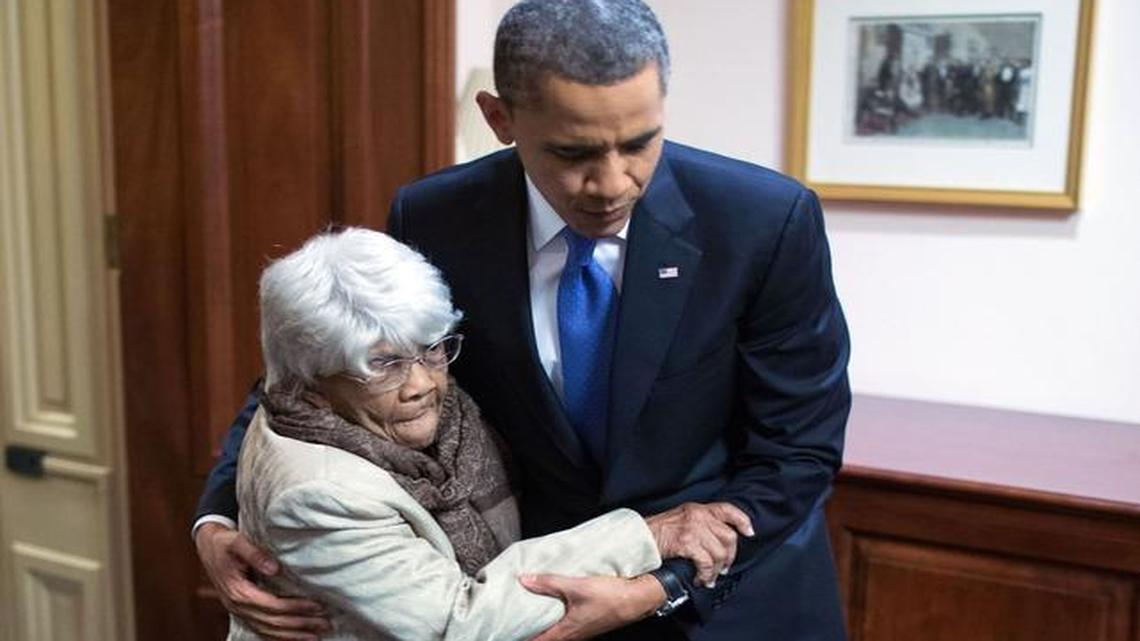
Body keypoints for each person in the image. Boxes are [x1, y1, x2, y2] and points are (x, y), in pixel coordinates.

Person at [195, 1, 851, 640]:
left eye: (639, 143)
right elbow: (311, 371)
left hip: (729, 604)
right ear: (500, 117)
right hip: (535, 601)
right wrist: (219, 519)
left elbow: (797, 450)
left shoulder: (764, 221)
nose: (613, 182)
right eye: (573, 154)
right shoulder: (436, 218)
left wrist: (655, 586)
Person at [227, 228, 745, 640]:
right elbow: (458, 621)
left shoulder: (432, 406)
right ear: (311, 379)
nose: (423, 384)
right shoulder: (317, 495)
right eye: (384, 365)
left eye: (431, 349)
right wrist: (645, 535)